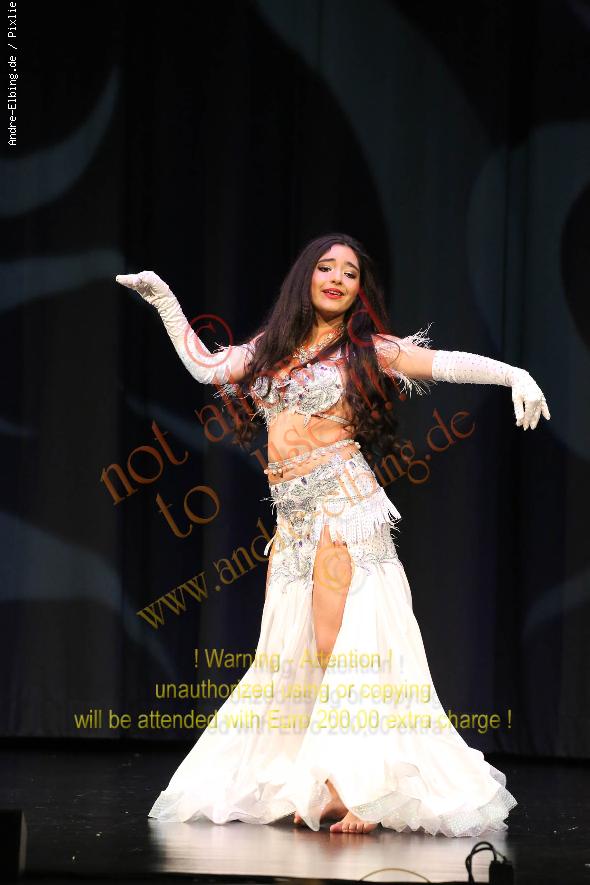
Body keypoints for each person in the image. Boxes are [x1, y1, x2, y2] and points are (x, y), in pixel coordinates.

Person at [116, 232, 549, 836]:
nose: (337, 278)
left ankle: (353, 788)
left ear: (358, 290)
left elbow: (444, 363)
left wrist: (514, 374)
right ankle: (322, 777)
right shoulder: (271, 348)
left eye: (349, 272)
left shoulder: (367, 349)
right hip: (292, 516)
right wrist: (165, 300)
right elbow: (206, 367)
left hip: (342, 505)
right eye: (326, 267)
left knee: (332, 641)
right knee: (288, 648)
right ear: (308, 277)